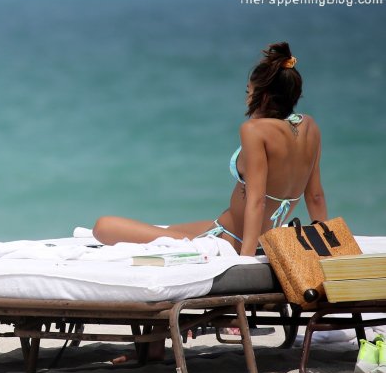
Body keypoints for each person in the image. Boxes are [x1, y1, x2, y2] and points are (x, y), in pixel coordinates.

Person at [93, 42, 327, 257]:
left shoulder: (255, 130)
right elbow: (315, 196)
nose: (247, 99)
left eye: (248, 92)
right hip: (241, 232)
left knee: (103, 227)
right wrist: (326, 247)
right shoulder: (309, 127)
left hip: (230, 240)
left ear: (263, 97)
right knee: (167, 231)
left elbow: (257, 201)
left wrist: (244, 261)